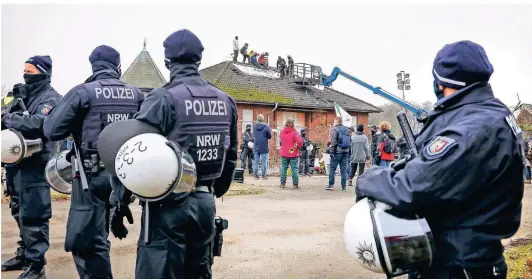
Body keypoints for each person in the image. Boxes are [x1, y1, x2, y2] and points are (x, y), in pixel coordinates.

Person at [356, 40, 525, 279]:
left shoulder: (473, 128)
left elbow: (412, 187)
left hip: (458, 266)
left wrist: (369, 179)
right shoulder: (489, 112)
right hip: (469, 256)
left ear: (440, 81)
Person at [129, 29, 238, 278]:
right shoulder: (225, 100)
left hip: (166, 205)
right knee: (198, 272)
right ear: (199, 61)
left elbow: (135, 152)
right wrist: (212, 190)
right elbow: (230, 154)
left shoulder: (162, 98)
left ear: (167, 62)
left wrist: (120, 198)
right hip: (205, 203)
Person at [43, 45, 144, 279]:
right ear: (118, 66)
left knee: (85, 242)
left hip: (90, 179)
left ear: (94, 66)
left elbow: (51, 130)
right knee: (99, 236)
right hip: (125, 178)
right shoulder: (137, 94)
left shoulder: (83, 92)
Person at [1, 56, 61, 278]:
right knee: (19, 211)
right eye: (24, 69)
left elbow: (40, 123)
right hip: (15, 163)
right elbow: (4, 114)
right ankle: (25, 255)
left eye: (31, 71)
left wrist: (11, 119)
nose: (25, 74)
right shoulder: (19, 94)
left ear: (43, 73)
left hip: (36, 165)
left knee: (35, 216)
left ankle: (37, 266)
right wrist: (6, 115)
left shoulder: (53, 99)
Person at [326, 116, 351, 192]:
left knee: (332, 168)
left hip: (337, 152)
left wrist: (331, 152)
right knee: (343, 170)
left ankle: (331, 185)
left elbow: (333, 142)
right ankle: (343, 187)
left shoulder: (334, 129)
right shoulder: (347, 129)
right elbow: (350, 140)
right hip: (345, 151)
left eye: (334, 120)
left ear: (336, 121)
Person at [279, 118, 303, 188]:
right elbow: (300, 141)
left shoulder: (282, 132)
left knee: (284, 168)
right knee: (294, 169)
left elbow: (281, 141)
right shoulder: (294, 132)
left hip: (284, 153)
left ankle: (282, 184)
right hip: (293, 153)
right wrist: (298, 146)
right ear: (293, 124)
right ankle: (295, 184)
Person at [253, 113, 271, 179]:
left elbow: (254, 135)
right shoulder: (266, 127)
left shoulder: (254, 126)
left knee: (256, 161)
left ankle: (255, 175)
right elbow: (269, 136)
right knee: (264, 161)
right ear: (263, 119)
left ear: (257, 119)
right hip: (264, 146)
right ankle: (263, 175)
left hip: (256, 145)